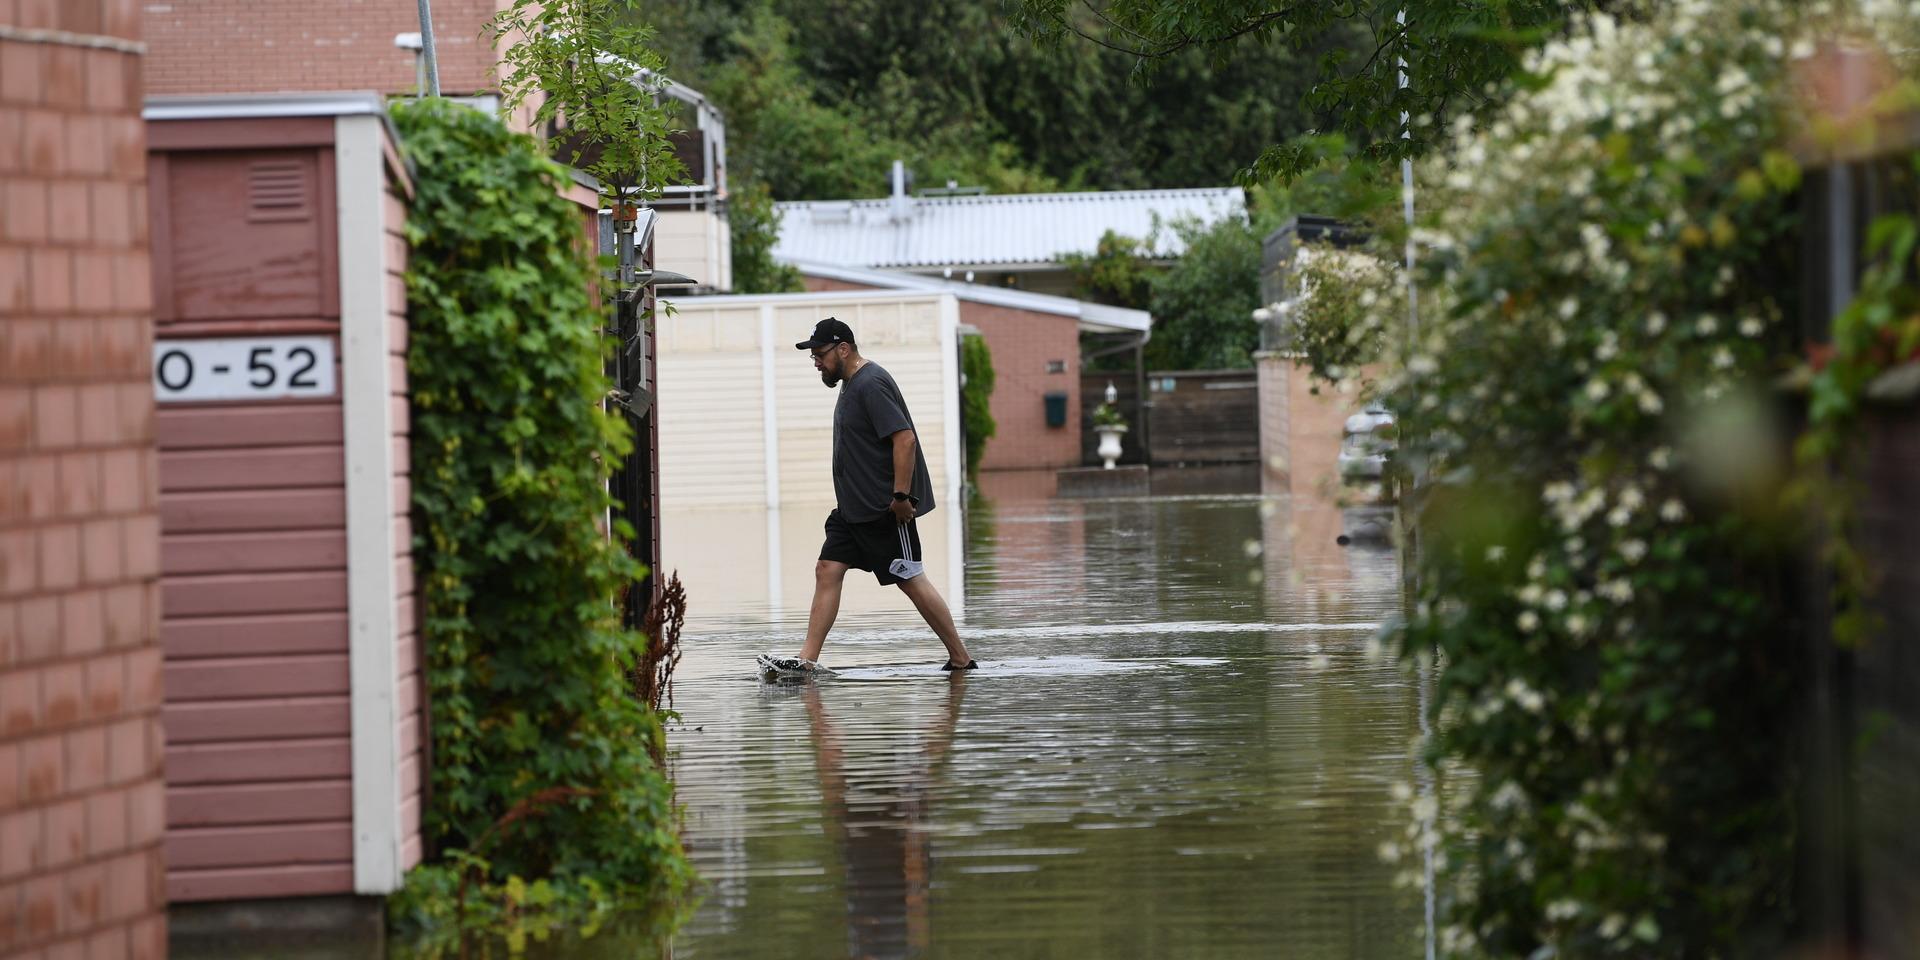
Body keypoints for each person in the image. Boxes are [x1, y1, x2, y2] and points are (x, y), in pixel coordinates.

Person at [767, 317, 975, 675]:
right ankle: (806, 662)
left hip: (884, 510)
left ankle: (961, 658)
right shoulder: (851, 384)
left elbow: (904, 438)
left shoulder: (871, 383)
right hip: (852, 511)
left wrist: (900, 496)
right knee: (827, 569)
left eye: (819, 354)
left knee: (910, 579)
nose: (816, 361)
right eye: (813, 356)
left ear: (843, 349)